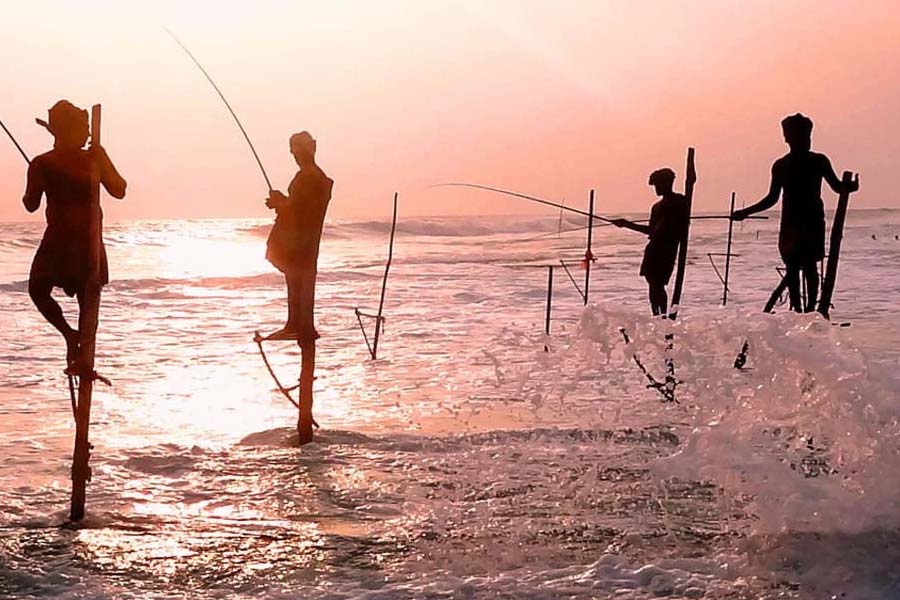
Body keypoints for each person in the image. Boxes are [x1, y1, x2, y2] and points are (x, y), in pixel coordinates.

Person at [23, 100, 127, 370]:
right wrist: (101, 159)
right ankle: (73, 338)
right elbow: (120, 189)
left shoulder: (45, 163)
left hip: (74, 240)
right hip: (76, 241)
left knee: (49, 291)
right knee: (80, 299)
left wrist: (102, 159)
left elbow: (30, 203)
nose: (88, 135)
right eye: (83, 128)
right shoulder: (52, 163)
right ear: (66, 131)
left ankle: (75, 342)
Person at [732, 114, 859, 312]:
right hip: (793, 223)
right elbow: (772, 198)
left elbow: (837, 187)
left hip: (810, 221)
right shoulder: (784, 165)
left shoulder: (816, 161)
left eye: (808, 136)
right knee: (797, 269)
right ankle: (799, 309)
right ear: (788, 138)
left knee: (807, 268)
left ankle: (808, 309)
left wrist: (850, 187)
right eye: (803, 137)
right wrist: (745, 212)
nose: (807, 141)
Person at [264, 131, 333, 343]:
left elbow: (300, 210)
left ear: (312, 147)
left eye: (298, 148)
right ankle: (296, 324)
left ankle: (300, 326)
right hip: (303, 240)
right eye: (293, 149)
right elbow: (297, 205)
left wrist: (279, 203)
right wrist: (282, 201)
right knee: (295, 279)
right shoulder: (311, 177)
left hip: (301, 241)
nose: (295, 154)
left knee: (297, 279)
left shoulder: (310, 177)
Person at [613, 168, 689, 315]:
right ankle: (656, 315)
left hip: (666, 250)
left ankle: (662, 315)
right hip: (653, 249)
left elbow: (663, 230)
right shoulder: (656, 207)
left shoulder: (679, 201)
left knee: (658, 285)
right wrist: (626, 224)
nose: (657, 188)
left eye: (658, 185)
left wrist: (628, 224)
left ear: (668, 183)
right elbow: (651, 230)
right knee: (652, 284)